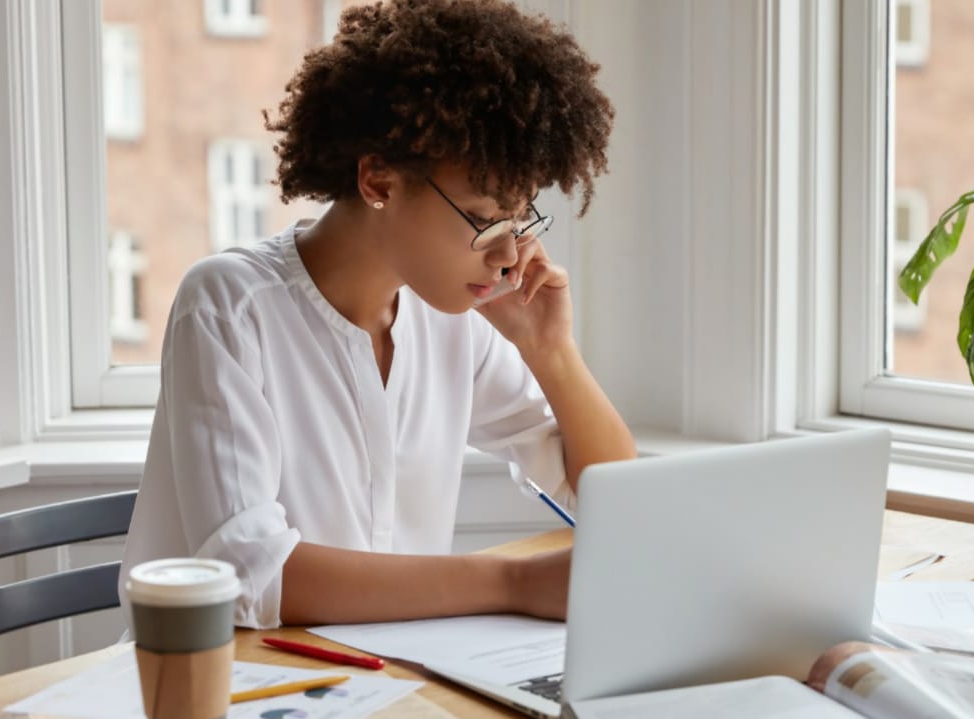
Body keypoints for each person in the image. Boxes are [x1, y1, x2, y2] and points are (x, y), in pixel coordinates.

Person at [119, 0, 635, 630]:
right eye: (482, 218)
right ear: (379, 182)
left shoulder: (450, 316)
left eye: (520, 216)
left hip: (395, 678)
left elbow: (615, 505)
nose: (509, 253)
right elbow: (249, 575)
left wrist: (553, 354)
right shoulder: (229, 306)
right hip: (231, 685)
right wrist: (512, 580)